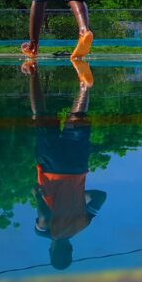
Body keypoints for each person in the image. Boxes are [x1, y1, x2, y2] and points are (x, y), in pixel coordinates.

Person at [26, 59, 105, 270]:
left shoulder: (82, 224)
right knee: (40, 117)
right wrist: (37, 196)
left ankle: (84, 87)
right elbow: (45, 216)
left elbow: (100, 196)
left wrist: (78, 197)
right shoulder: (45, 233)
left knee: (77, 118)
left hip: (77, 168)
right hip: (51, 169)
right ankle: (32, 73)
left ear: (70, 250)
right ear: (52, 251)